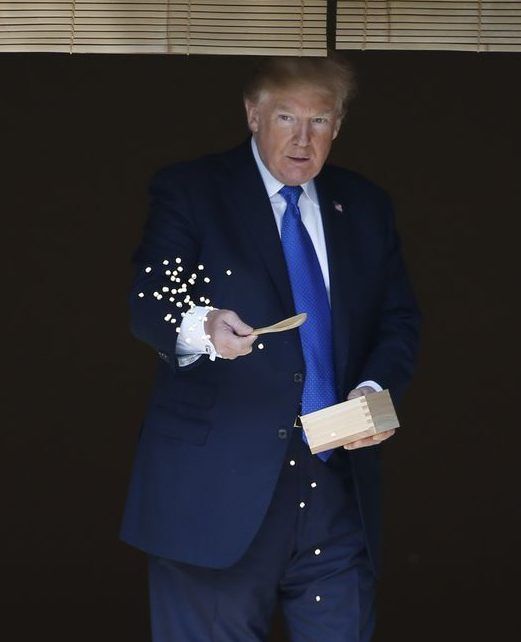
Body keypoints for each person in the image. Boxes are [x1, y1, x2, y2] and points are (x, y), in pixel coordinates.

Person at [120, 56, 421, 641]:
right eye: (286, 117)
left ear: (339, 125)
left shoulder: (363, 204)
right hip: (216, 493)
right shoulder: (194, 190)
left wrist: (374, 389)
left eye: (320, 120)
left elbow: (398, 318)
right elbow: (149, 299)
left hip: (335, 487)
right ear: (253, 114)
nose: (303, 138)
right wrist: (203, 327)